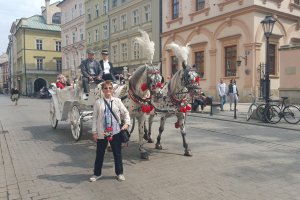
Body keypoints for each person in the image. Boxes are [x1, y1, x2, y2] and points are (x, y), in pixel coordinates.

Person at [90, 80, 130, 182]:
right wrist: (94, 132)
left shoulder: (117, 101)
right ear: (102, 90)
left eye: (110, 88)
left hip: (115, 131)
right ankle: (97, 174)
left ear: (112, 90)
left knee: (117, 153)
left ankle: (119, 173)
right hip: (103, 132)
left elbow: (125, 112)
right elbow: (94, 118)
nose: (108, 90)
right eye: (105, 88)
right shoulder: (98, 102)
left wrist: (126, 123)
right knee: (100, 153)